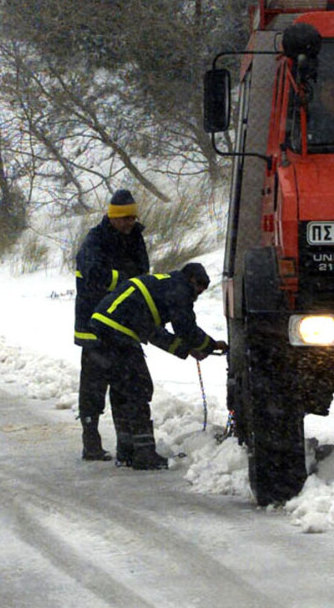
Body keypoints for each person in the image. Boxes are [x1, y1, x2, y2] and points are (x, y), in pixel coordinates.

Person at [84, 263, 228, 469]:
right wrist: (210, 344)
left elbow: (154, 332)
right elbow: (185, 328)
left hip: (104, 329)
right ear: (190, 280)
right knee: (139, 388)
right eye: (197, 289)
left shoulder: (160, 287)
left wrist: (187, 350)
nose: (196, 296)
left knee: (122, 390)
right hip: (119, 332)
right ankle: (144, 453)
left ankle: (127, 450)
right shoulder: (179, 288)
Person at [73, 189, 149, 462]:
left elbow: (144, 273)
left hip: (124, 326)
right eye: (125, 218)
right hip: (94, 327)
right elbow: (94, 274)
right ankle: (91, 442)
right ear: (113, 217)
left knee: (124, 385)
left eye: (132, 217)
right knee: (93, 388)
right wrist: (126, 280)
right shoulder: (95, 240)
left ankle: (126, 446)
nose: (129, 223)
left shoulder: (136, 238)